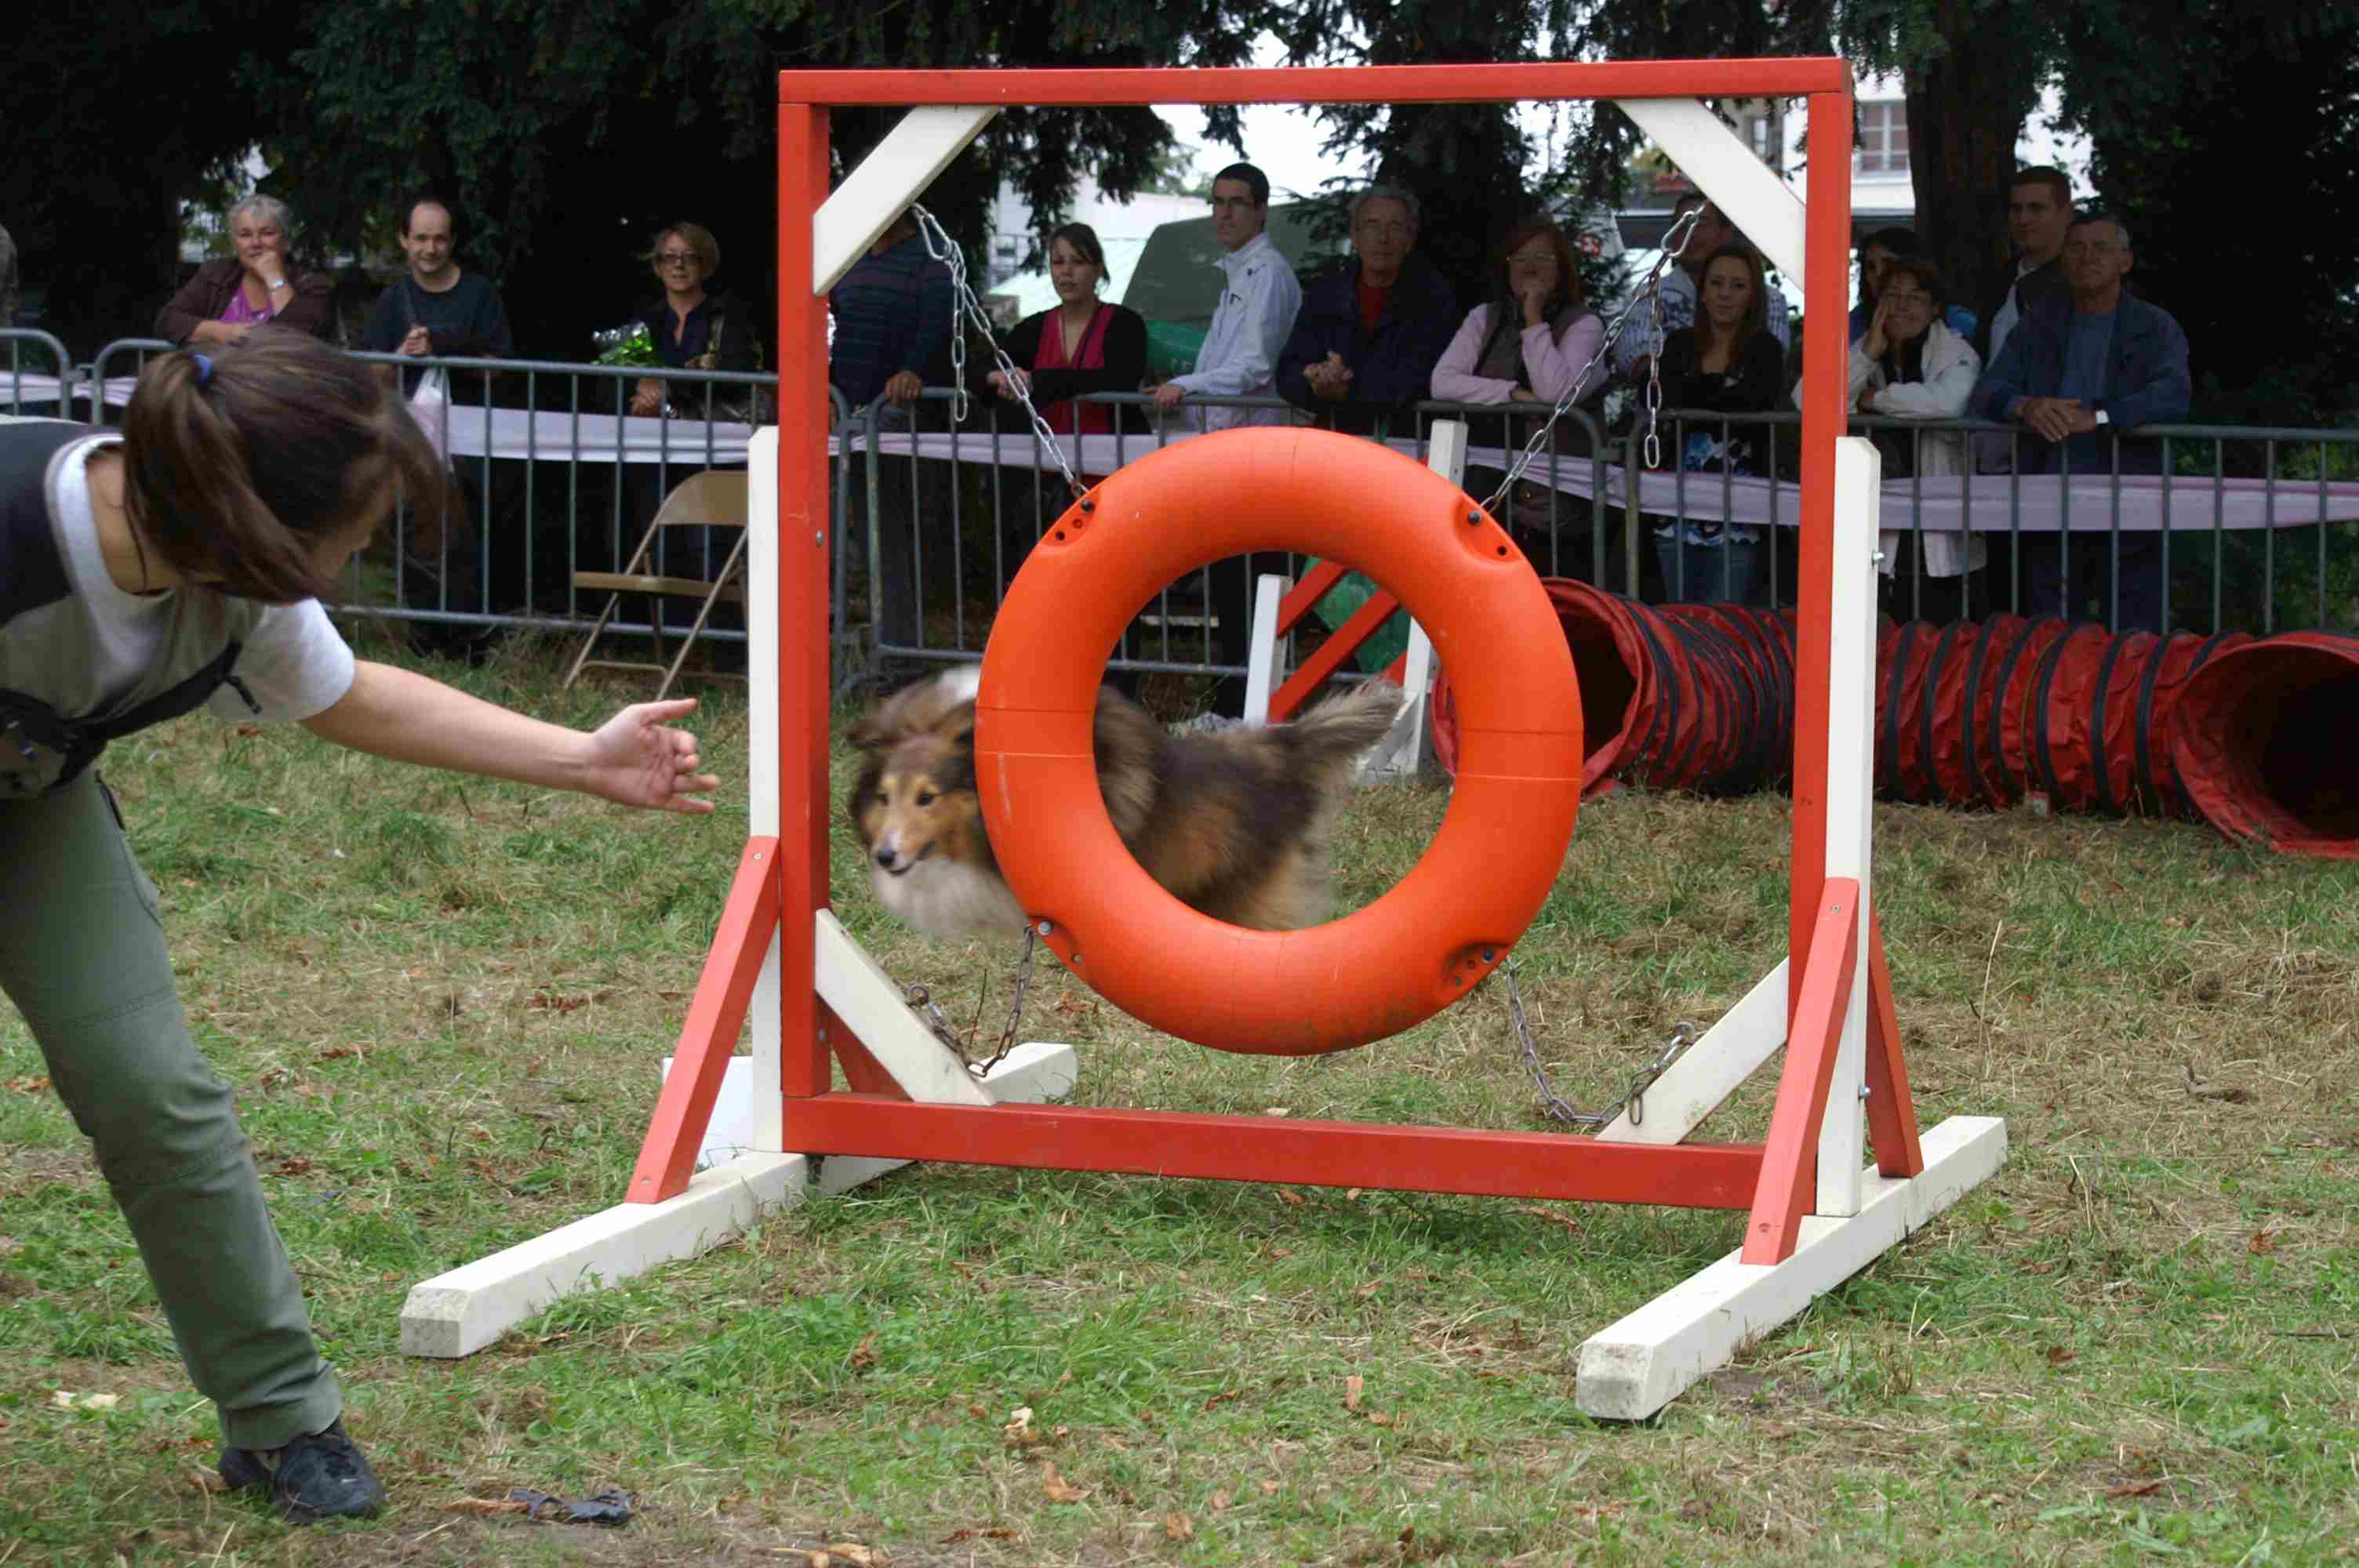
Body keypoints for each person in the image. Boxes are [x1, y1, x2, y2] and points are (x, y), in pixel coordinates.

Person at [0, 334, 718, 1525]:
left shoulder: (228, 576)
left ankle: (281, 1420)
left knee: (154, 1090)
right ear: (257, 521)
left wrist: (584, 761)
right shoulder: (17, 518)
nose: (355, 561)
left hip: (35, 807)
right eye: (354, 534)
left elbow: (350, 696)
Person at [1972, 214, 2190, 632]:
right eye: (2076, 248)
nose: (2087, 257)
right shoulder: (2038, 323)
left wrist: (2102, 417)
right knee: (2050, 636)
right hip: (2050, 504)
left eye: (2100, 247)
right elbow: (1988, 390)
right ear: (2063, 260)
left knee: (2133, 637)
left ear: (2125, 261)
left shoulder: (2155, 326)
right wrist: (2025, 406)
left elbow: (2173, 395)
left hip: (2130, 505)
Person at [1812, 255, 1986, 617]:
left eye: (1915, 298)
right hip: (1876, 522)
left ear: (1935, 308)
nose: (1902, 306)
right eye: (1893, 295)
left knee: (1943, 632)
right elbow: (1810, 401)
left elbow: (1947, 402)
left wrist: (1875, 399)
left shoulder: (1957, 353)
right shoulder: (1865, 347)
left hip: (1939, 525)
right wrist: (1866, 356)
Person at [1430, 219, 1607, 543]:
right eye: (1520, 258)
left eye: (1542, 258)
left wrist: (1533, 319)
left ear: (1561, 268)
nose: (1530, 268)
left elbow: (1556, 392)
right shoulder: (1484, 317)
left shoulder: (1584, 325)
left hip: (1554, 506)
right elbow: (1442, 382)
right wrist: (1512, 393)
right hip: (1482, 493)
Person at [830, 209, 955, 657]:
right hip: (841, 414)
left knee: (888, 537)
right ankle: (832, 644)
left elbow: (937, 330)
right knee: (834, 532)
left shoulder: (929, 261)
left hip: (896, 417)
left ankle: (900, 650)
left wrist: (913, 372)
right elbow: (835, 328)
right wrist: (824, 391)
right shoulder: (844, 261)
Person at [1645, 245, 1786, 604]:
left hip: (1741, 516)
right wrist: (1721, 390)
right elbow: (1668, 397)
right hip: (1674, 511)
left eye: (1738, 285)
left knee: (1725, 622)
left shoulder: (1766, 349)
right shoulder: (1679, 344)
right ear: (1702, 291)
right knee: (1675, 619)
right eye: (1717, 283)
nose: (1725, 293)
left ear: (1753, 296)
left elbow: (1753, 402)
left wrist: (1700, 391)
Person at [1275, 184, 1459, 437]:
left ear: (1410, 239)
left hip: (1403, 443)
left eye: (1395, 227)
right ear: (1355, 236)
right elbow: (1288, 373)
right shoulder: (1326, 294)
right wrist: (1316, 381)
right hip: (1334, 440)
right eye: (1372, 226)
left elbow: (1424, 379)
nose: (1382, 238)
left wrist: (1344, 389)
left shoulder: (1433, 298)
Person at [1152, 162, 1301, 431]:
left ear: (1262, 210)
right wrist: (1183, 386)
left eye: (1237, 203)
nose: (1225, 214)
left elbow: (1256, 366)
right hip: (1225, 434)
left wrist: (1186, 384)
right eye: (1218, 202)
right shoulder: (1241, 270)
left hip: (1250, 437)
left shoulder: (1268, 272)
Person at [987, 222, 1149, 437]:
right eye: (1058, 262)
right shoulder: (1032, 328)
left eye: (1078, 262)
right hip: (1047, 454)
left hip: (1112, 452)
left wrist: (1037, 381)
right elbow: (982, 368)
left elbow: (1119, 378)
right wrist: (999, 377)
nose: (1066, 271)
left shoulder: (1125, 323)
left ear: (1098, 270)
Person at [1611, 194, 1793, 375]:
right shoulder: (1648, 294)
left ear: (1726, 232)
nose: (1690, 233)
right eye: (1681, 225)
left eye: (1701, 223)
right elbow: (1634, 354)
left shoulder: (1769, 298)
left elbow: (1771, 362)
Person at [1969, 167, 2074, 473]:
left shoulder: (2082, 286)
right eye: (2016, 209)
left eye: (2037, 208)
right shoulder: (1998, 280)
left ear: (2067, 213)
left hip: (2052, 450)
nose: (2023, 219)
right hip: (1988, 445)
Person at [360, 196, 514, 394]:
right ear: (404, 240)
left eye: (440, 239)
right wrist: (402, 354)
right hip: (407, 412)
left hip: (468, 411)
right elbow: (375, 379)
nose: (431, 249)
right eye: (421, 238)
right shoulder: (391, 298)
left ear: (453, 241)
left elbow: (499, 370)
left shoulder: (481, 292)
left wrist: (443, 347)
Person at [627, 220, 763, 419]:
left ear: (704, 266)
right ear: (658, 266)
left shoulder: (730, 314)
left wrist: (666, 386)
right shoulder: (645, 320)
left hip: (717, 431)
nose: (679, 265)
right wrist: (642, 393)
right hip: (653, 431)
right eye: (670, 257)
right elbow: (615, 379)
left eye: (690, 257)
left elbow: (737, 374)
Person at [154, 196, 334, 346]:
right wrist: (220, 332)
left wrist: (274, 277)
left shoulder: (312, 284)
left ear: (285, 242)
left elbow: (298, 339)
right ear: (235, 244)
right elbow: (168, 320)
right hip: (218, 374)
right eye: (245, 235)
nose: (256, 243)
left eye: (267, 233)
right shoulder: (216, 274)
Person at [1849, 226, 1976, 343]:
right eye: (1871, 267)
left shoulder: (1957, 320)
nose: (1878, 273)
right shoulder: (1854, 322)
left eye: (1888, 263)